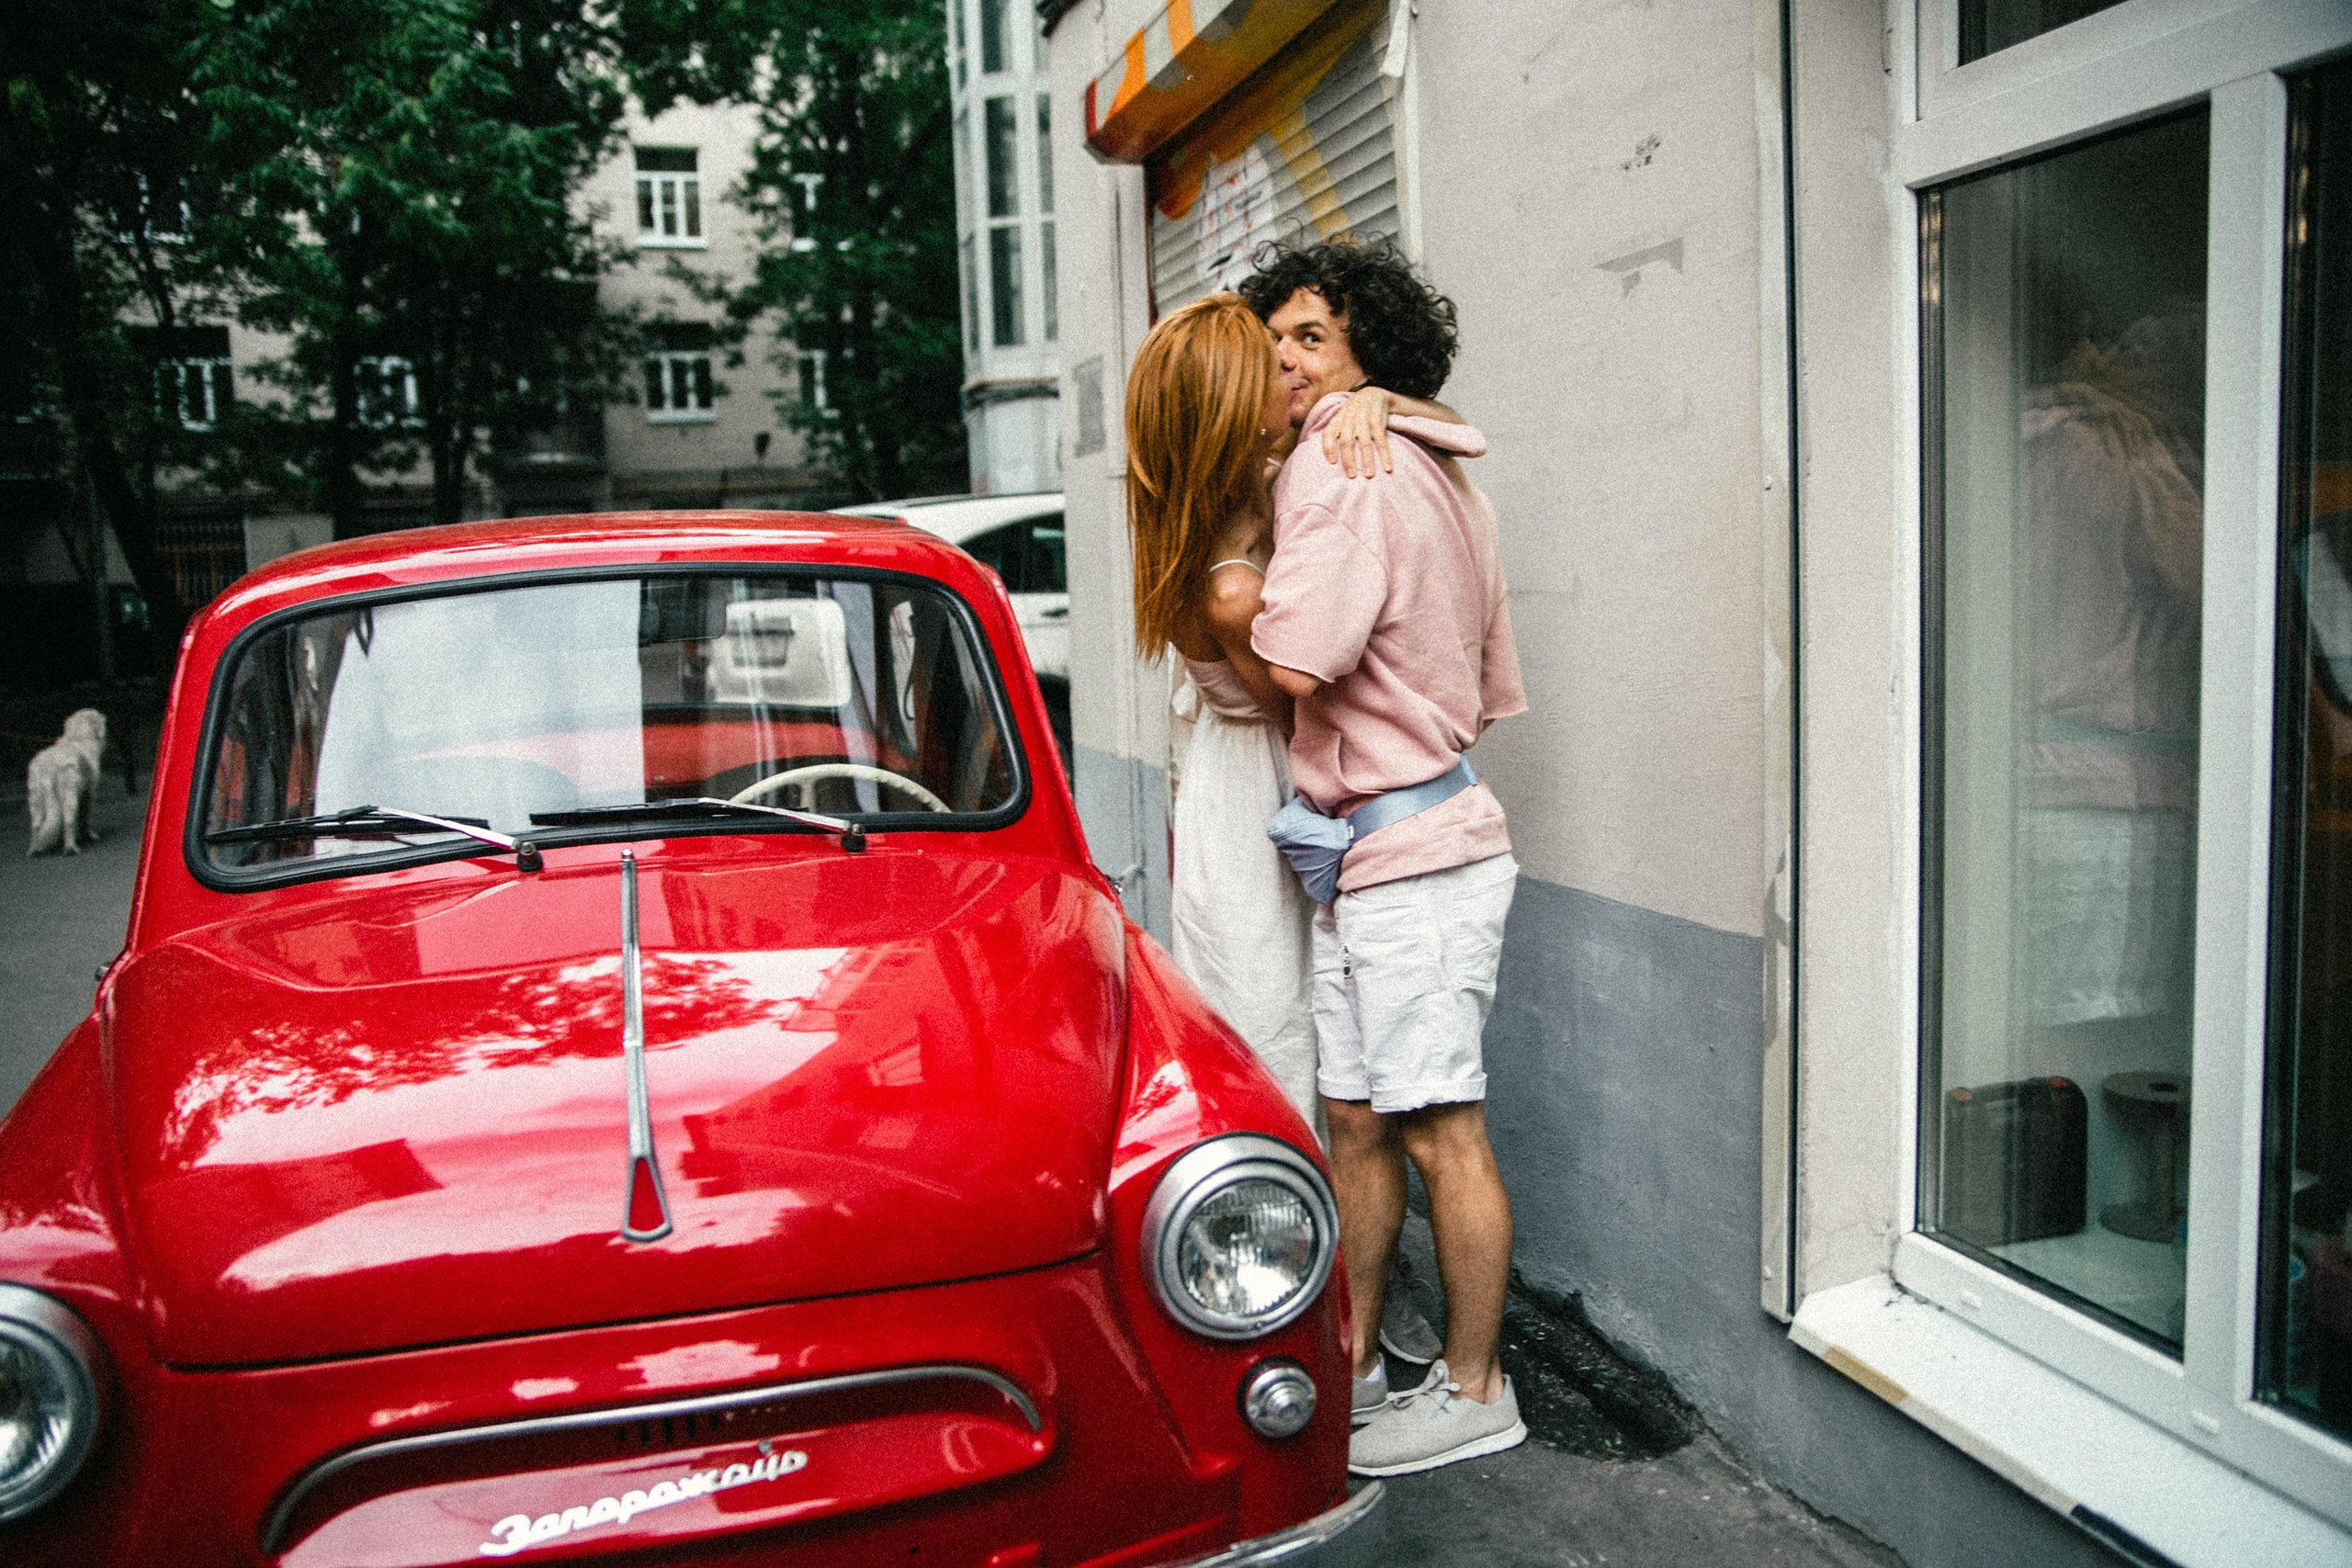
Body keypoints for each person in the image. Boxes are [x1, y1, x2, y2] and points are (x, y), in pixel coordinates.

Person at [1238, 239, 1529, 1477]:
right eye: (1277, 341)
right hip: (1377, 852)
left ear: (1369, 354)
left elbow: (1296, 661)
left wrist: (1217, 589)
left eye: (1314, 337)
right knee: (1357, 1121)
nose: (1288, 362)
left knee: (1440, 1132)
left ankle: (1475, 1389)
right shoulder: (1400, 449)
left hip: (1414, 851)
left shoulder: (1350, 468)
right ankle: (1354, 1364)